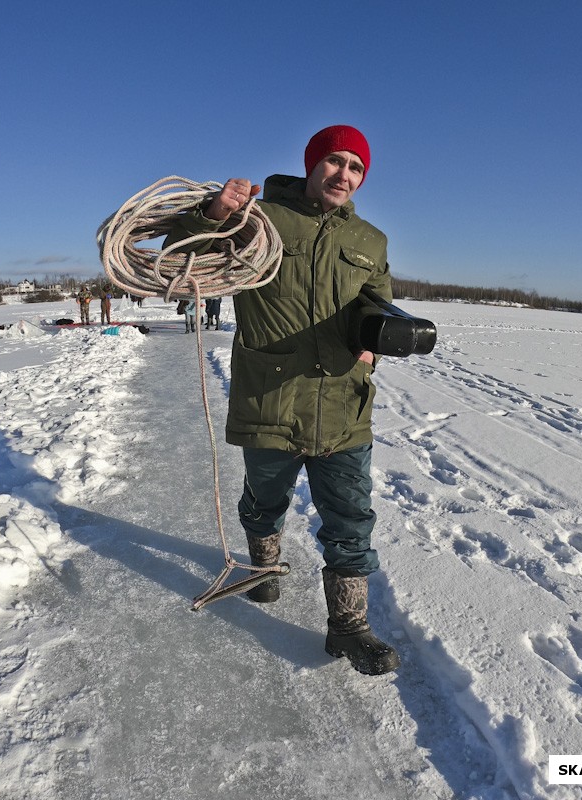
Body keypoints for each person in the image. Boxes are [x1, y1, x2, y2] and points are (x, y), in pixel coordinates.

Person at [166, 125, 398, 676]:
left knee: (351, 519)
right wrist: (214, 215)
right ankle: (263, 570)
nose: (345, 175)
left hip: (343, 406)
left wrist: (378, 346)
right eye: (335, 162)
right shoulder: (260, 218)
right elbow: (184, 254)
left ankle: (348, 628)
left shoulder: (370, 240)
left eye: (356, 167)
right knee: (264, 501)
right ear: (313, 164)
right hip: (272, 398)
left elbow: (380, 309)